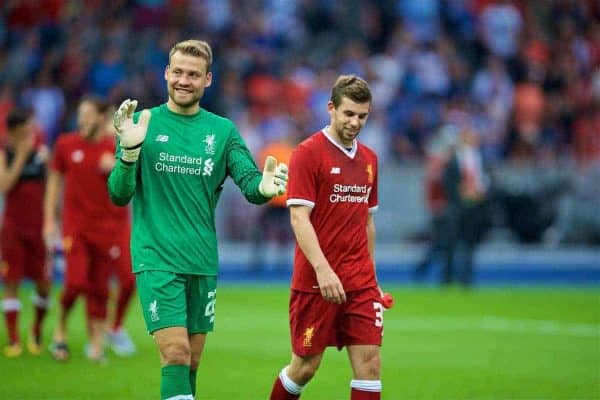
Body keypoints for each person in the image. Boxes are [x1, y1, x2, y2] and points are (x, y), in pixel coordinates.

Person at [107, 39, 288, 400]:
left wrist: (266, 189)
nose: (183, 80)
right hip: (156, 257)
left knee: (190, 362)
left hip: (201, 259)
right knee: (174, 352)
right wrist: (128, 153)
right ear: (166, 74)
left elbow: (250, 184)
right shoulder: (142, 122)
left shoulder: (223, 131)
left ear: (208, 79)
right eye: (177, 72)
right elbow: (119, 194)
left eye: (193, 74)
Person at [269, 75, 388, 400]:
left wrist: (372, 278)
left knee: (370, 364)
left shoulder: (370, 160)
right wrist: (323, 270)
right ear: (331, 108)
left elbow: (367, 222)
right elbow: (298, 217)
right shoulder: (308, 153)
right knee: (305, 366)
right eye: (348, 113)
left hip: (359, 282)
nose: (355, 122)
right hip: (315, 281)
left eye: (362, 116)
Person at [44, 96, 135, 362]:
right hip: (76, 228)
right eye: (80, 113)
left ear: (100, 117)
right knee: (75, 284)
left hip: (107, 228)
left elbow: (130, 181)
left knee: (100, 288)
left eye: (87, 113)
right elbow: (54, 183)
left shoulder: (112, 148)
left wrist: (118, 165)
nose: (82, 118)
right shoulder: (65, 144)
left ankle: (96, 344)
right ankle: (60, 329)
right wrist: (50, 218)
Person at [0, 108, 50, 357]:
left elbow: (52, 187)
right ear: (12, 132)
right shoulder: (5, 154)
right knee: (11, 282)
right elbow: (5, 185)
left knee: (44, 284)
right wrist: (20, 157)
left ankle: (37, 330)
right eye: (24, 131)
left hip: (38, 228)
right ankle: (13, 338)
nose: (30, 134)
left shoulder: (41, 155)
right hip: (13, 228)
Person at [251, 134, 296, 271]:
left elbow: (261, 173)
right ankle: (278, 263)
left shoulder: (271, 151)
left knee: (265, 231)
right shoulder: (291, 152)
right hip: (283, 201)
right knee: (282, 233)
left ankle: (260, 261)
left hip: (274, 200)